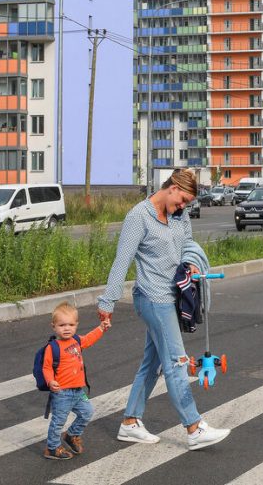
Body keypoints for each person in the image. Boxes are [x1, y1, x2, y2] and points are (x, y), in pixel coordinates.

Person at [97, 169, 230, 451]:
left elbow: (187, 245)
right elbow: (121, 261)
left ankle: (130, 422)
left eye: (187, 203)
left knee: (153, 363)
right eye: (182, 200)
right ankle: (194, 427)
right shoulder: (138, 217)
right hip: (152, 298)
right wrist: (107, 301)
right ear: (172, 187)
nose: (183, 206)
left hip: (173, 296)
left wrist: (191, 263)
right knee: (177, 362)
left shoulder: (180, 216)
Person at [42, 303, 109, 460]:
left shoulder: (77, 341)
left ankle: (71, 435)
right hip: (62, 393)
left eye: (71, 325)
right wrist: (50, 381)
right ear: (54, 326)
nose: (67, 328)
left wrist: (101, 328)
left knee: (87, 412)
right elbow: (47, 367)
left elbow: (89, 339)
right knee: (58, 422)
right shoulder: (52, 347)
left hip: (78, 391)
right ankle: (52, 448)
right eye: (62, 325)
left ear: (76, 325)